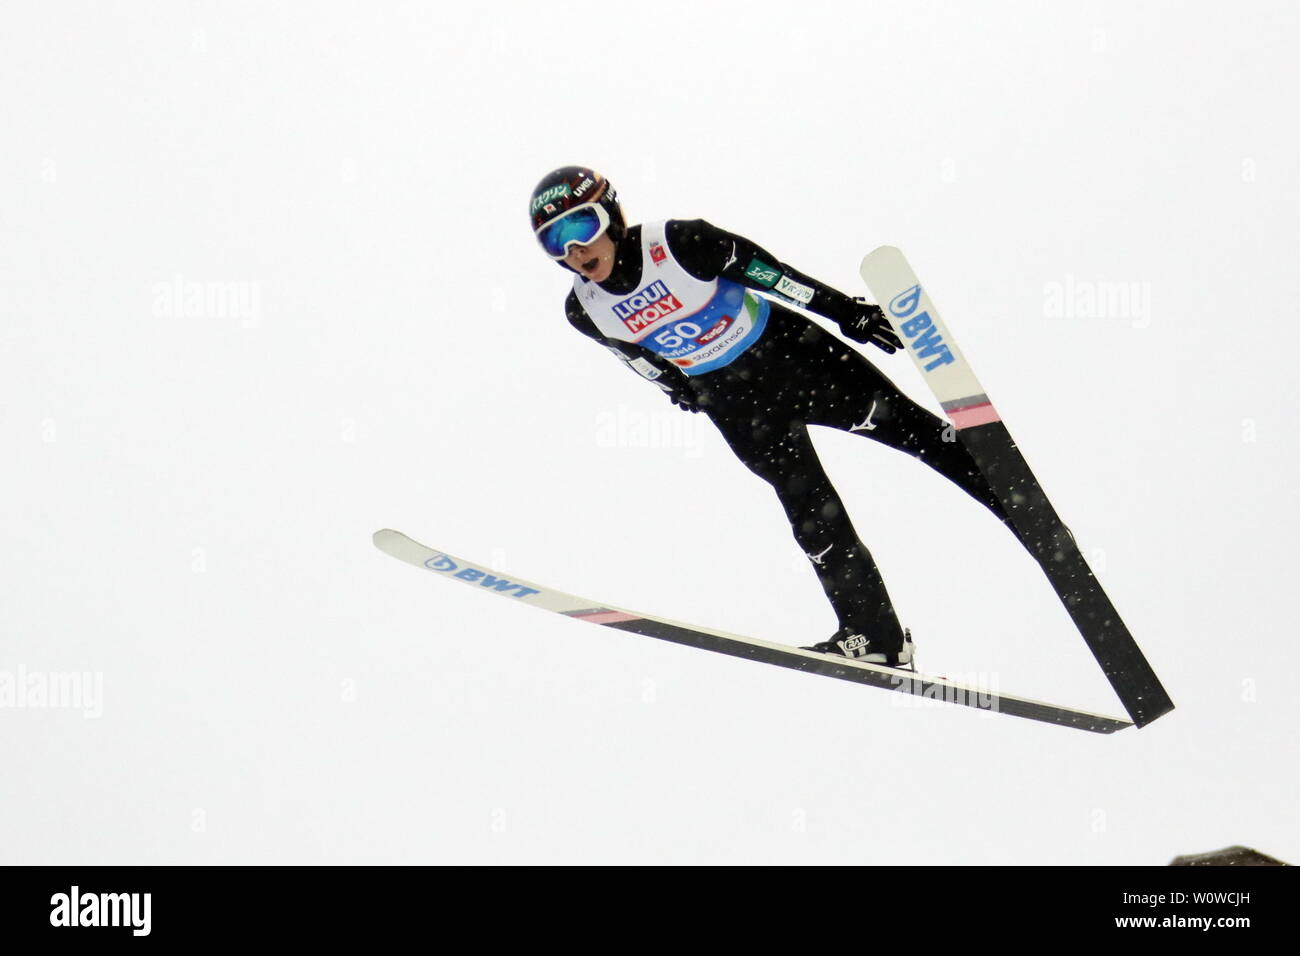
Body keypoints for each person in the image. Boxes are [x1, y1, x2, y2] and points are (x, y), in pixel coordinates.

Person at [530, 166, 1027, 666]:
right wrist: (680, 391)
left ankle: (1021, 509)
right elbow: (638, 359)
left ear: (613, 215)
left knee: (913, 432)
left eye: (580, 228)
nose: (574, 252)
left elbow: (774, 276)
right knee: (811, 515)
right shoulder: (585, 310)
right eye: (554, 242)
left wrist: (844, 312)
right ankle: (874, 637)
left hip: (796, 360)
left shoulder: (680, 242)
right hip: (737, 406)